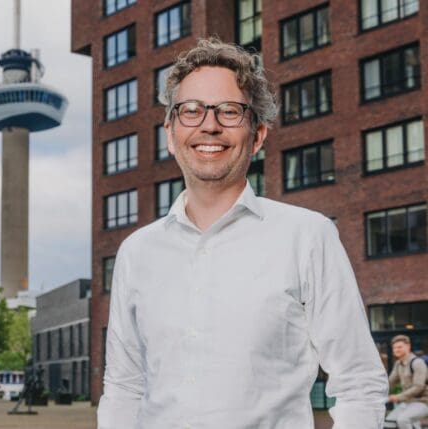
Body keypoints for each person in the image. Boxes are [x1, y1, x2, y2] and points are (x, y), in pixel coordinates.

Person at [97, 37, 389, 429]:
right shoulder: (136, 251)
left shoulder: (307, 236)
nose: (209, 125)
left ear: (259, 134)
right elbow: (124, 386)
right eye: (191, 110)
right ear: (170, 132)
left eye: (230, 111)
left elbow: (359, 381)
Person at [385, 335, 428, 429]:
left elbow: (419, 387)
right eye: (394, 347)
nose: (396, 349)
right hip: (408, 403)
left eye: (399, 347)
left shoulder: (417, 363)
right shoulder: (398, 364)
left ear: (408, 346)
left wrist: (398, 397)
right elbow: (390, 383)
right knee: (389, 423)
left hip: (423, 402)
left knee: (403, 420)